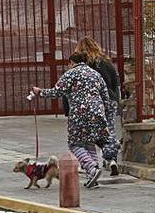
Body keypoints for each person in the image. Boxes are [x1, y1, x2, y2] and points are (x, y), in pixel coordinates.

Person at [32, 52, 117, 189]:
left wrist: (40, 92)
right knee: (90, 142)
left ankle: (91, 168)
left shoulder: (71, 74)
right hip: (98, 113)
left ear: (71, 62)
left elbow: (57, 91)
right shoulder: (95, 74)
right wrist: (105, 114)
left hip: (80, 114)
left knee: (75, 144)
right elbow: (106, 96)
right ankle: (92, 176)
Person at [74, 37, 121, 176]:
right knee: (109, 130)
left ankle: (89, 163)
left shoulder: (81, 66)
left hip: (90, 103)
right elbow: (114, 82)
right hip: (109, 100)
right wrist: (115, 100)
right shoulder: (106, 62)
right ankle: (111, 159)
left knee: (88, 133)